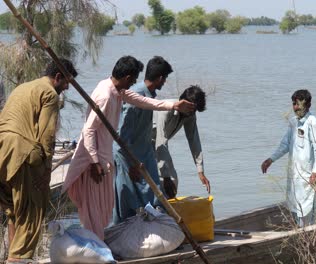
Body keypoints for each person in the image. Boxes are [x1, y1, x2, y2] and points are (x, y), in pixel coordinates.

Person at [62, 56, 195, 239]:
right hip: (93, 162)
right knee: (93, 210)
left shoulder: (118, 91)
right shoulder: (106, 96)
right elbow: (89, 130)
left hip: (103, 158)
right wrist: (94, 162)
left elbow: (143, 101)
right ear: (127, 77)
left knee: (103, 209)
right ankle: (94, 246)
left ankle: (97, 244)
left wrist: (173, 105)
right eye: (133, 79)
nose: (134, 83)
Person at [0, 59, 77, 262]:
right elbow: (47, 135)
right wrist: (46, 170)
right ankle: (18, 261)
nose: (67, 87)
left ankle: (12, 258)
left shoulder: (23, 88)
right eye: (66, 82)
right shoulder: (50, 93)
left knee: (14, 212)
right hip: (20, 152)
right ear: (58, 77)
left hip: (2, 152)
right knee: (32, 213)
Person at [112, 56, 173, 224]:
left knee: (155, 195)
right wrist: (131, 164)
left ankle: (156, 229)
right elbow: (124, 133)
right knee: (124, 200)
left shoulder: (149, 96)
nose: (164, 82)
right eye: (165, 79)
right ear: (160, 78)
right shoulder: (137, 96)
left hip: (145, 154)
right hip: (128, 156)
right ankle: (117, 235)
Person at [261, 89, 316, 227]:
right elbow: (285, 145)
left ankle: (309, 239)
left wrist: (315, 172)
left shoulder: (312, 122)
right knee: (297, 208)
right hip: (296, 176)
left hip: (310, 177)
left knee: (310, 211)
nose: (296, 107)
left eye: (299, 104)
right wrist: (270, 160)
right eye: (294, 104)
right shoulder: (293, 122)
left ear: (308, 105)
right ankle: (302, 237)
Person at [155, 85, 210, 199]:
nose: (192, 113)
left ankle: (164, 212)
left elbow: (194, 140)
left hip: (159, 145)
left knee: (173, 182)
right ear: (183, 102)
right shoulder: (166, 111)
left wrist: (200, 170)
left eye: (194, 110)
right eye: (191, 109)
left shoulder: (189, 114)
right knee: (162, 182)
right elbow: (161, 141)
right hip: (145, 143)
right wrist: (165, 176)